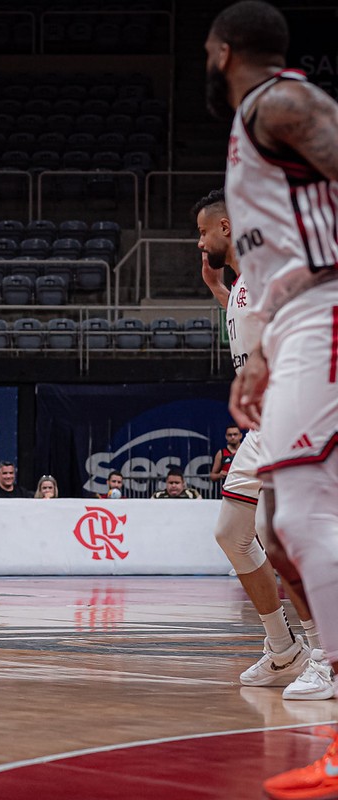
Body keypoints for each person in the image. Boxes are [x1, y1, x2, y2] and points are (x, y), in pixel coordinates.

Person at [205, 2, 338, 792]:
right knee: (283, 525)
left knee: (294, 518)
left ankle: (317, 667)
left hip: (325, 310)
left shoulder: (283, 102)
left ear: (222, 52)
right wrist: (254, 353)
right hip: (294, 323)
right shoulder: (256, 124)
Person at [194, 187, 324, 698]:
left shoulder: (274, 268)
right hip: (260, 427)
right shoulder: (247, 282)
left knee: (284, 538)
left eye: (203, 231)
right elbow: (249, 318)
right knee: (232, 534)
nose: (200, 242)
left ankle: (324, 656)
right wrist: (218, 290)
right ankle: (284, 650)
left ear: (227, 228)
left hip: (290, 415)